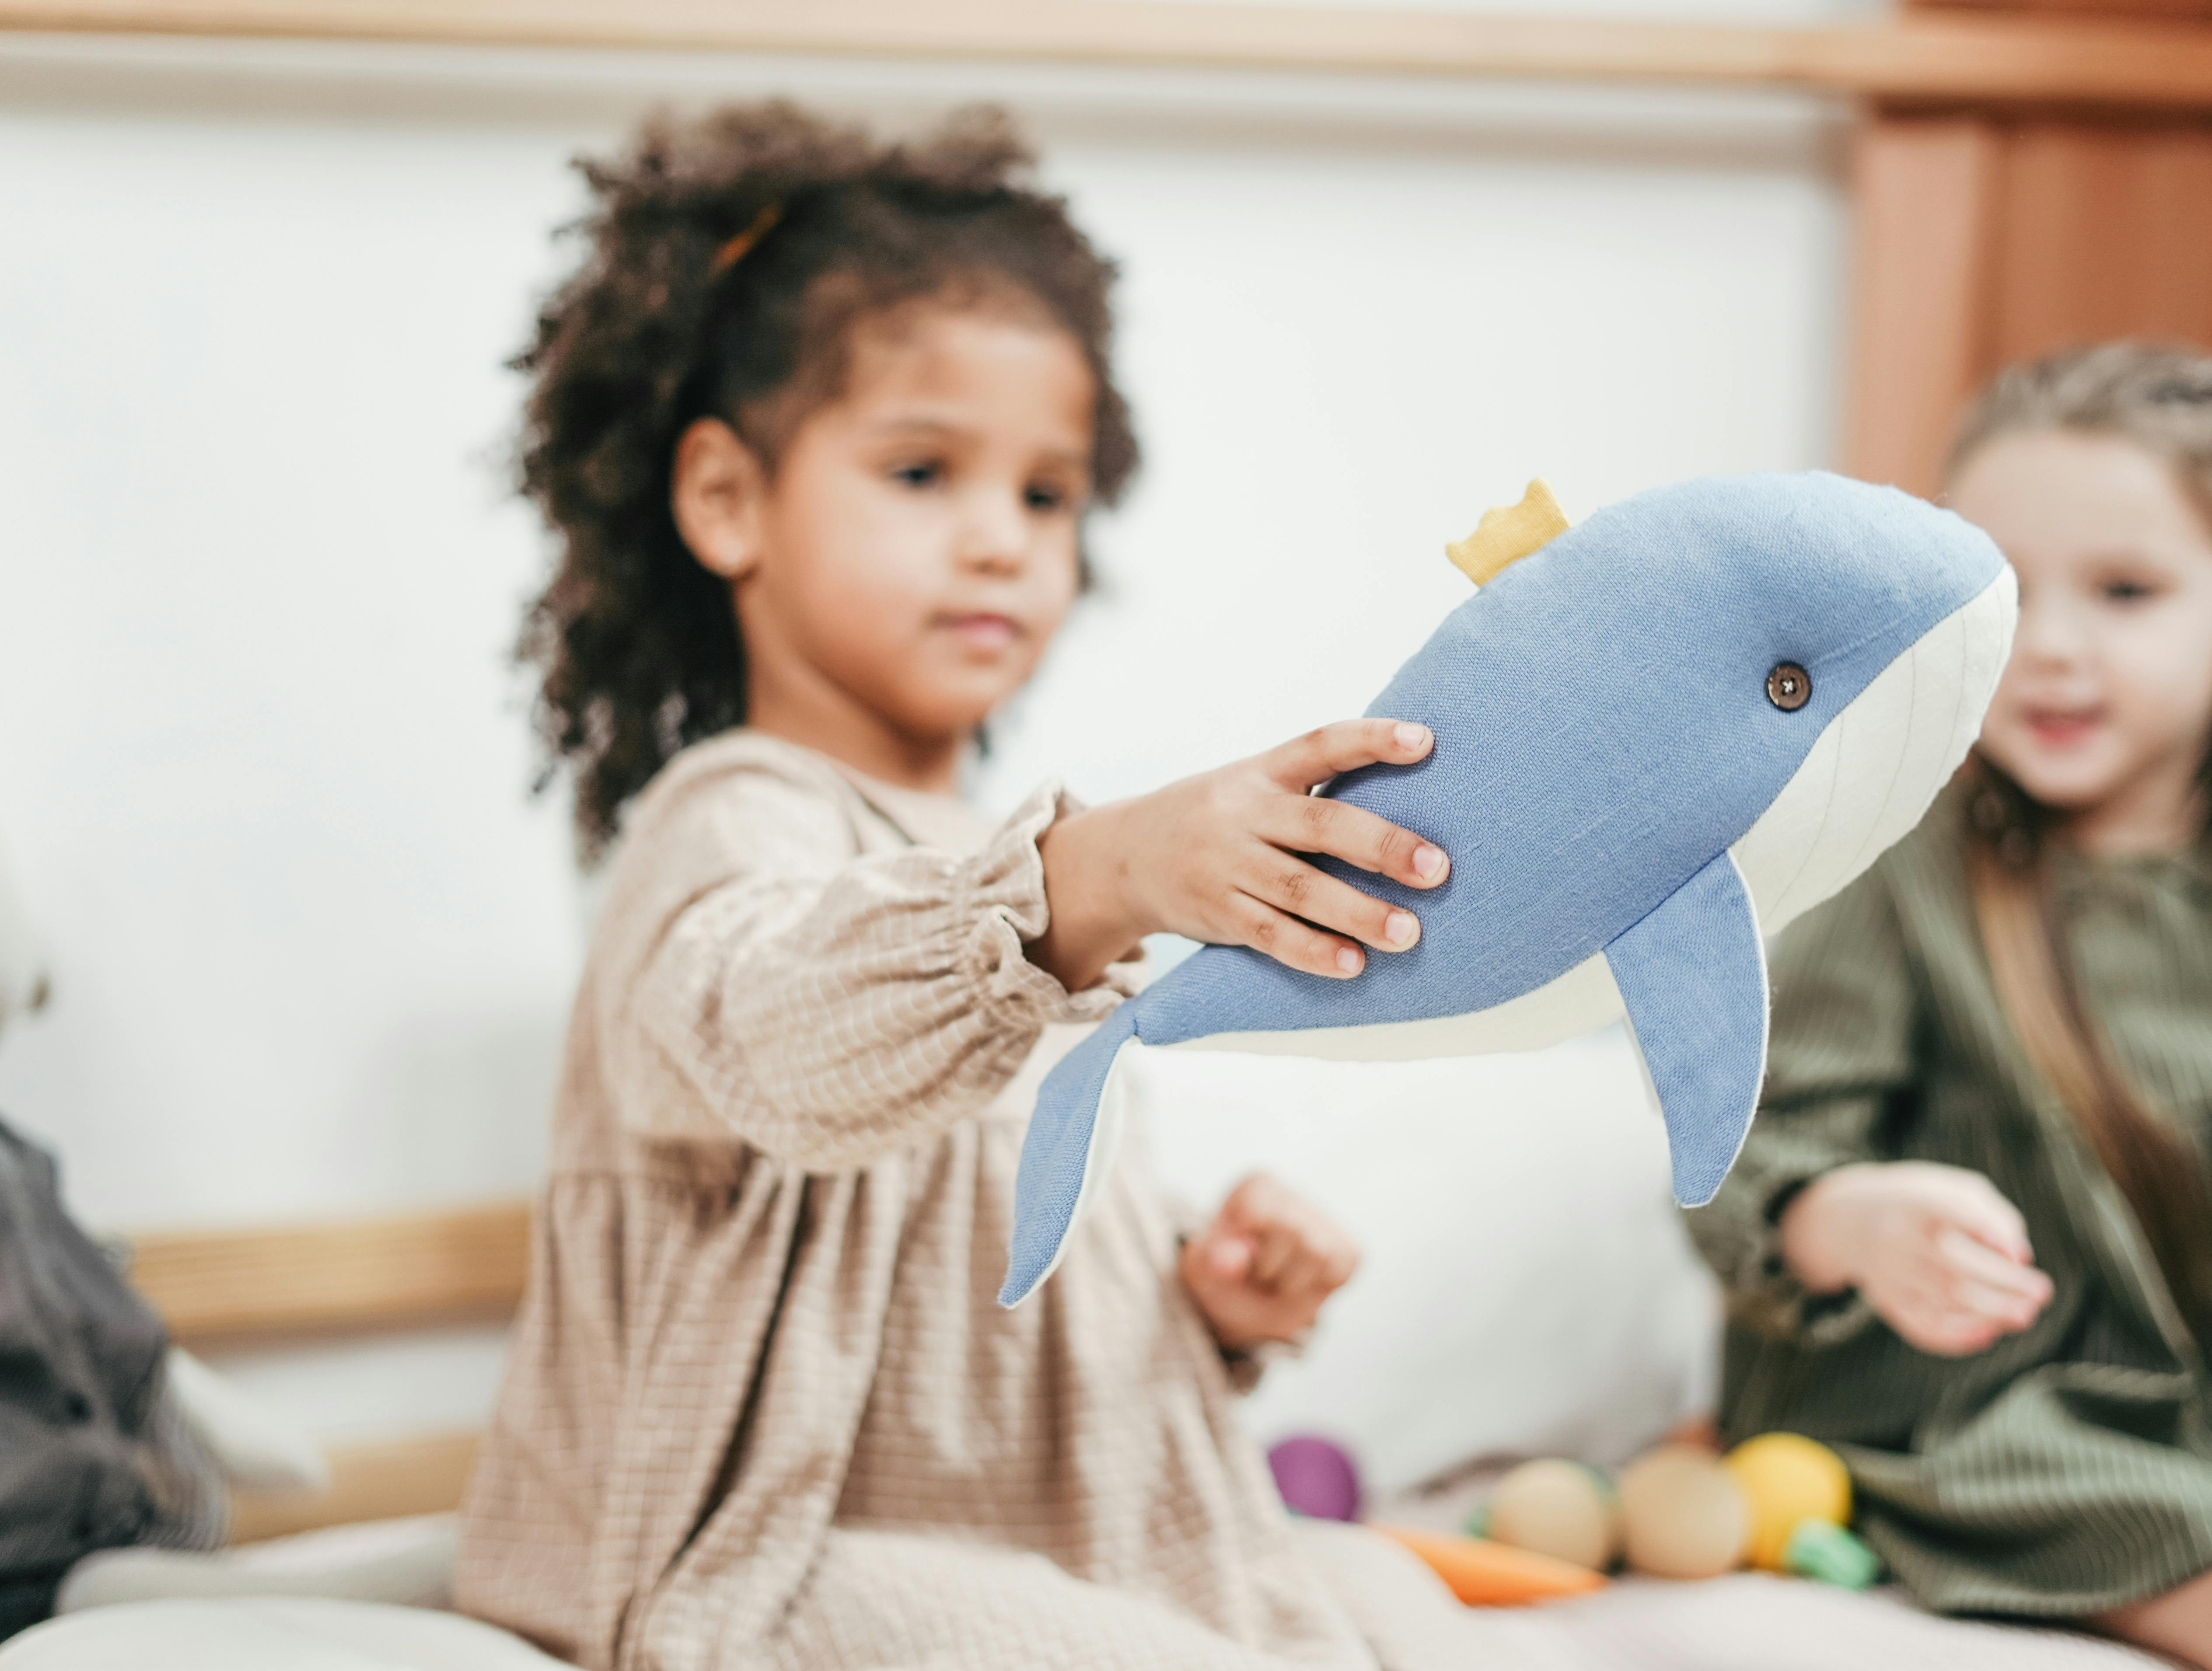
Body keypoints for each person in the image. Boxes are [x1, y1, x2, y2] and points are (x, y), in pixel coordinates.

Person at [453, 102, 1506, 1671]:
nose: (1001, 544)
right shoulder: (731, 822)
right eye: (924, 471)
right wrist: (1104, 872)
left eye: (1043, 495)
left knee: (1401, 1612)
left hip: (1050, 1536)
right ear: (727, 500)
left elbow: (998, 1279)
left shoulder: (1006, 877)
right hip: (770, 1557)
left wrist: (1197, 1293)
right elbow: (781, 1041)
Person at [1693, 342, 2212, 1670]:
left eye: (2123, 592)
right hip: (1985, 1415)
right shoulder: (1905, 869)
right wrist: (1854, 1221)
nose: (2048, 646)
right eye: (2000, 590)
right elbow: (1746, 1159)